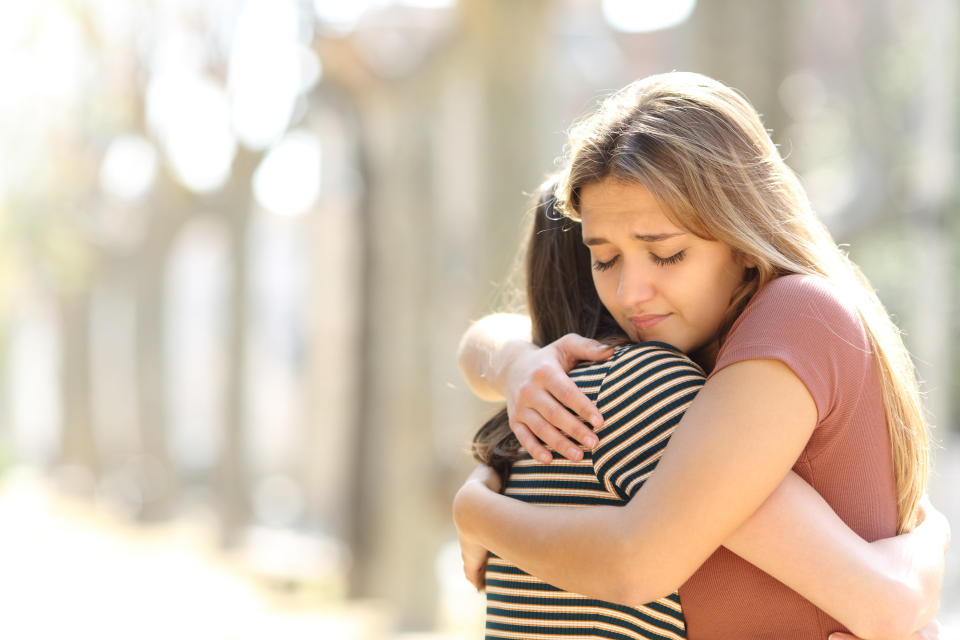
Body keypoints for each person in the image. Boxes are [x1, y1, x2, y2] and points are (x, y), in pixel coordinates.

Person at [455, 73, 950, 639]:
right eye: (606, 259)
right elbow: (489, 339)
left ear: (741, 239)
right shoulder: (695, 358)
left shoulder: (793, 314)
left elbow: (637, 563)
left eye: (666, 255)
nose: (630, 294)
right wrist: (519, 362)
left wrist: (476, 513)